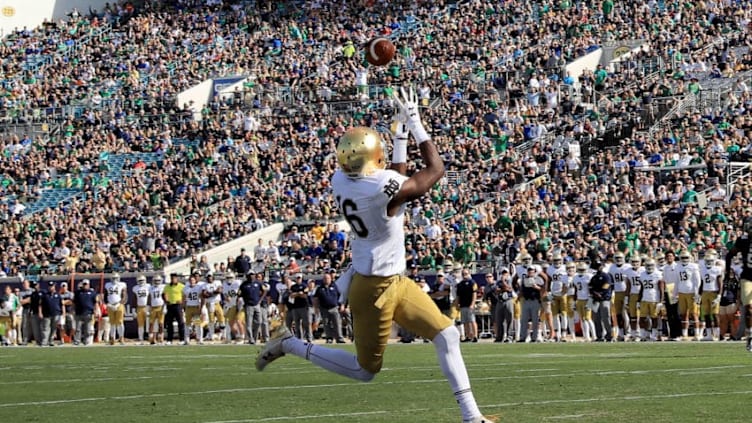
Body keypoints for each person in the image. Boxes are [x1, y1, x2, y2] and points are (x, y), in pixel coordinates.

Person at [255, 87, 495, 423]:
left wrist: (398, 140)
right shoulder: (378, 187)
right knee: (364, 370)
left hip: (394, 279)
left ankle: (471, 416)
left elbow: (395, 179)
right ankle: (291, 344)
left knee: (448, 334)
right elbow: (434, 171)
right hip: (372, 289)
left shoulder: (342, 179)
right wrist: (415, 123)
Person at [724, 218, 752, 351]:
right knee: (749, 308)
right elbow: (729, 255)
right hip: (747, 277)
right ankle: (750, 336)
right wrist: (727, 271)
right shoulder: (743, 241)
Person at [672, 251, 701, 340]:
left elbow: (697, 281)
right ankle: (684, 334)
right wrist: (674, 294)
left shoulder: (693, 266)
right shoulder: (677, 267)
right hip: (681, 292)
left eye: (686, 257)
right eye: (683, 257)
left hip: (691, 291)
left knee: (694, 314)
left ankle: (697, 334)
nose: (684, 259)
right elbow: (676, 281)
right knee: (683, 314)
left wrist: (697, 293)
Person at [313, 270, 346, 344]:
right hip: (324, 308)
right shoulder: (319, 288)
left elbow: (341, 296)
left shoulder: (335, 286)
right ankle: (329, 338)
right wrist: (316, 308)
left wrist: (342, 305)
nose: (326, 280)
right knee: (326, 324)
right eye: (325, 278)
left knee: (337, 323)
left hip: (334, 308)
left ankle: (339, 338)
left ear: (330, 279)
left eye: (328, 278)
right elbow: (315, 299)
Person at [699, 250, 724, 341]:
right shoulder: (702, 269)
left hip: (714, 292)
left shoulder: (717, 269)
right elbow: (701, 283)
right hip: (705, 292)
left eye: (710, 261)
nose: (709, 263)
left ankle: (717, 335)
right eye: (707, 261)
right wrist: (699, 294)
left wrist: (719, 295)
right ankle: (709, 335)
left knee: (715, 314)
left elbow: (720, 283)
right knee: (706, 314)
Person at [639, 259, 665, 342]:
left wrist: (661, 301)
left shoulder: (658, 274)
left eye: (651, 265)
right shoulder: (642, 274)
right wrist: (638, 300)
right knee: (642, 318)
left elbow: (661, 289)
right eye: (648, 265)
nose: (649, 267)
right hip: (644, 298)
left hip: (654, 299)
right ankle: (644, 335)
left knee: (654, 318)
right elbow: (641, 288)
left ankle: (654, 335)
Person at [589, 259, 614, 342]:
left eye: (600, 266)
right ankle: (599, 336)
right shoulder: (594, 277)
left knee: (605, 317)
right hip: (595, 299)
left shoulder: (606, 275)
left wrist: (600, 293)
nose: (599, 267)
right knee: (596, 318)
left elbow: (607, 285)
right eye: (597, 266)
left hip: (604, 299)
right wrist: (594, 293)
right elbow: (590, 287)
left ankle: (609, 335)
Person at [239, 271, 264, 345]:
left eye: (252, 275)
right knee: (249, 323)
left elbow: (264, 291)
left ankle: (255, 337)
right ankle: (251, 339)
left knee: (259, 322)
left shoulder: (258, 283)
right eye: (250, 275)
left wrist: (260, 300)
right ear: (247, 276)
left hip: (257, 305)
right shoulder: (244, 284)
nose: (251, 276)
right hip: (248, 305)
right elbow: (239, 293)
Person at [573, 262, 595, 342]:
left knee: (588, 318)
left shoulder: (589, 276)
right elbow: (575, 290)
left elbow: (592, 289)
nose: (582, 271)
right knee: (582, 319)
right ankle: (586, 336)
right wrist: (574, 301)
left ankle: (594, 336)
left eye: (583, 269)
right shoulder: (575, 277)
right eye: (580, 269)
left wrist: (591, 299)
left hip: (587, 299)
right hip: (579, 299)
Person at [455, 268, 479, 343]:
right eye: (463, 274)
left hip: (469, 304)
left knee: (472, 320)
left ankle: (475, 336)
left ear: (469, 273)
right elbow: (458, 295)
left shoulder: (472, 283)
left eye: (466, 273)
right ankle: (468, 336)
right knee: (465, 321)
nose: (464, 275)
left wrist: (472, 303)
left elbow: (474, 294)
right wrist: (457, 304)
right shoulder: (460, 284)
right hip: (463, 304)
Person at [182, 272, 206, 345]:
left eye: (193, 280)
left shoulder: (198, 287)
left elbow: (202, 298)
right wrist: (183, 308)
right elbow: (183, 299)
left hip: (196, 307)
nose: (192, 281)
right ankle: (187, 340)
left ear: (195, 280)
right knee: (187, 324)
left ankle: (200, 339)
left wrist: (201, 307)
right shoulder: (186, 288)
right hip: (189, 307)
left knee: (197, 324)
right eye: (190, 280)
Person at [73, 279, 98, 345]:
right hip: (79, 312)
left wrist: (96, 311)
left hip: (88, 312)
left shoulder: (92, 293)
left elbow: (95, 303)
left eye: (86, 284)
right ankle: (77, 341)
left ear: (88, 285)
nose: (85, 286)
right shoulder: (78, 292)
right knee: (78, 328)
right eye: (84, 284)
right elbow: (74, 302)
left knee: (87, 328)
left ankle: (86, 341)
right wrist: (72, 310)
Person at [104, 273, 127, 345]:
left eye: (116, 278)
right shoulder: (107, 285)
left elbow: (124, 295)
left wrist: (119, 303)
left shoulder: (122, 284)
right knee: (112, 323)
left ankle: (121, 338)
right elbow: (105, 295)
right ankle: (112, 338)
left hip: (119, 304)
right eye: (113, 278)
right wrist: (108, 303)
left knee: (120, 322)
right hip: (110, 305)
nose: (114, 280)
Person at [163, 273, 186, 345]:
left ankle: (182, 339)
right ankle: (169, 340)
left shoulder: (181, 286)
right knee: (169, 323)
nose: (173, 280)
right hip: (170, 306)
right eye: (172, 278)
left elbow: (185, 295)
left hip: (178, 306)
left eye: (174, 278)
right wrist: (166, 301)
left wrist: (182, 302)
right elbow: (164, 294)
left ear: (177, 279)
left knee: (181, 323)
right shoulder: (167, 286)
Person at [223, 272, 245, 344]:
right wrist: (226, 298)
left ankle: (242, 337)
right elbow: (225, 295)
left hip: (240, 304)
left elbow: (242, 291)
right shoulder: (225, 284)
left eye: (231, 278)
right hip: (231, 305)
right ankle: (238, 336)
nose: (229, 279)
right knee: (231, 322)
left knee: (239, 321)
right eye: (228, 278)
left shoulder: (238, 283)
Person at [40, 281, 64, 346]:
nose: (51, 288)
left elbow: (62, 304)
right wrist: (40, 313)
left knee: (54, 329)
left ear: (54, 287)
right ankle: (44, 342)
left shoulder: (58, 295)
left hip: (56, 314)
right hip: (47, 314)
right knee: (46, 328)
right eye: (50, 286)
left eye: (52, 286)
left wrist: (63, 314)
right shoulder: (45, 295)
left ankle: (51, 341)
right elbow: (40, 305)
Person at [132, 275, 150, 344]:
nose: (141, 282)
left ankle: (150, 338)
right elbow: (134, 299)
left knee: (149, 323)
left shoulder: (149, 286)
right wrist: (133, 310)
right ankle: (141, 338)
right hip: (139, 307)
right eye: (140, 281)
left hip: (147, 307)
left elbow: (150, 297)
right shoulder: (135, 288)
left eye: (142, 280)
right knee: (140, 324)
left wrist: (149, 308)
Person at [148, 275, 166, 345]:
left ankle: (160, 338)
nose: (157, 282)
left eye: (158, 280)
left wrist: (165, 306)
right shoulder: (150, 288)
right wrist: (148, 307)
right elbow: (149, 298)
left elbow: (165, 297)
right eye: (155, 280)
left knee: (161, 324)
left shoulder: (163, 287)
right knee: (151, 324)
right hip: (153, 307)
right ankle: (151, 338)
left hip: (160, 307)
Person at [19, 279, 34, 345]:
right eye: (23, 283)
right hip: (25, 310)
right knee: (25, 325)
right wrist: (28, 299)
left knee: (34, 325)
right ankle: (25, 340)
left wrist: (26, 300)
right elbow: (21, 302)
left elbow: (33, 300)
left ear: (28, 284)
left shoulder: (33, 291)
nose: (25, 285)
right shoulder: (21, 293)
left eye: (26, 283)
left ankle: (35, 339)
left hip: (33, 309)